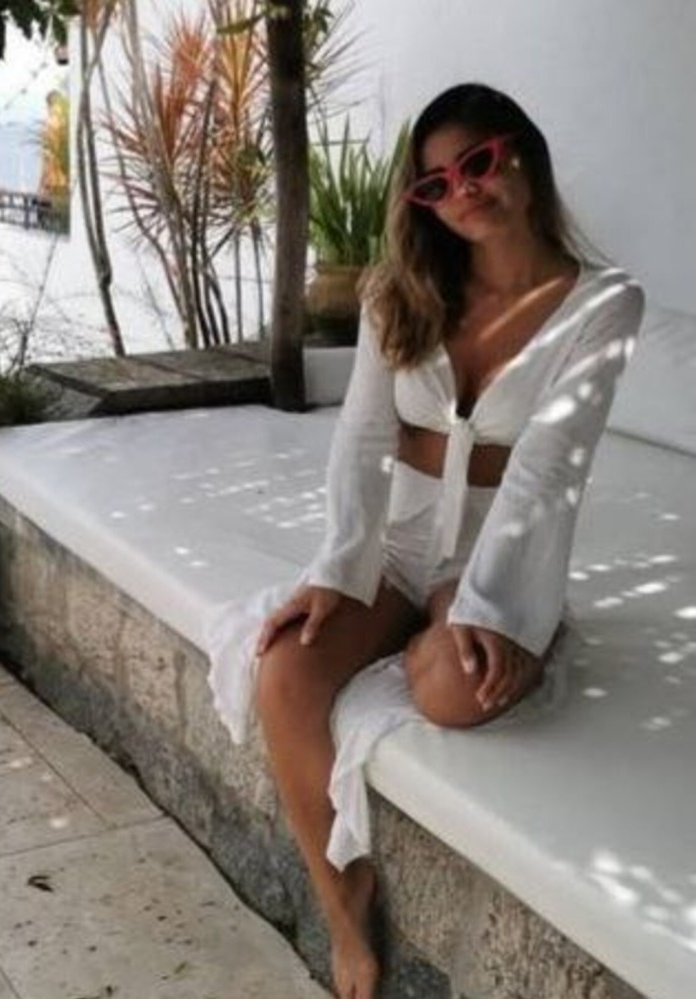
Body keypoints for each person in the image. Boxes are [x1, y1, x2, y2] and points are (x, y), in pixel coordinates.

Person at [220, 83, 644, 999]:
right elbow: (362, 440)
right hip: (398, 545)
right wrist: (339, 570)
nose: (463, 191)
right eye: (436, 183)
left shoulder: (604, 304)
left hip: (499, 551)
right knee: (284, 670)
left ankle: (463, 636)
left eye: (479, 162)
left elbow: (547, 469)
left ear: (523, 153)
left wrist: (491, 609)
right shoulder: (400, 291)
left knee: (454, 687)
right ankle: (344, 908)